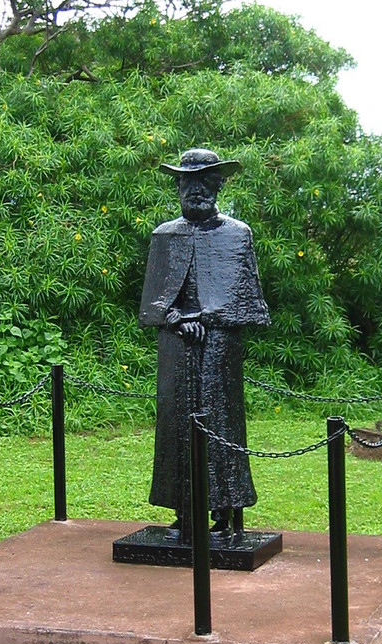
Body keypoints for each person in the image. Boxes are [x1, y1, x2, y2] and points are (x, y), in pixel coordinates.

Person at [139, 148, 270, 541]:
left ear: (217, 187)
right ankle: (183, 511)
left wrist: (205, 320)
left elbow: (245, 300)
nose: (196, 191)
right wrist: (176, 319)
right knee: (176, 426)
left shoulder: (236, 235)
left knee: (221, 422)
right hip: (176, 348)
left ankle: (224, 513)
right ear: (179, 187)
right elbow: (152, 303)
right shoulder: (165, 235)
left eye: (204, 183)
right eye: (188, 183)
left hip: (219, 348)